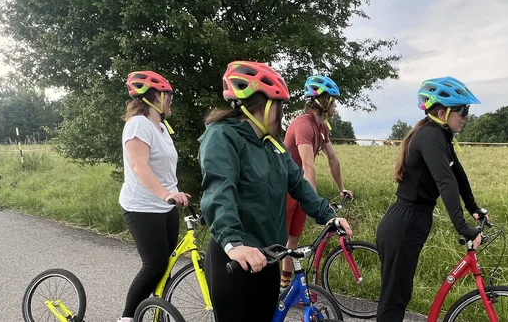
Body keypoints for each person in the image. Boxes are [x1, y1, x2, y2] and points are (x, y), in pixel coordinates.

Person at [198, 60, 353, 322]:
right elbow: (219, 191)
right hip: (236, 259)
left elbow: (299, 183)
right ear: (266, 106)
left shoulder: (273, 145)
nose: (281, 115)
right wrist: (233, 243)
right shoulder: (222, 137)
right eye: (279, 106)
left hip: (269, 256)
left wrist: (328, 215)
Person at [375, 76, 489, 322]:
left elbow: (457, 173)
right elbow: (445, 181)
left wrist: (473, 208)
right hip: (404, 222)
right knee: (394, 300)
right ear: (442, 111)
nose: (466, 116)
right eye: (463, 110)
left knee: (401, 294)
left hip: (414, 220)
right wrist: (462, 227)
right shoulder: (430, 136)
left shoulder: (441, 136)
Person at [118, 71, 190, 322]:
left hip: (165, 207)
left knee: (166, 268)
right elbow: (140, 165)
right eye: (167, 95)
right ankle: (127, 318)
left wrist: (174, 194)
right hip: (142, 207)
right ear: (154, 97)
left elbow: (164, 167)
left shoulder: (160, 127)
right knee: (155, 265)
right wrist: (166, 194)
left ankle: (159, 315)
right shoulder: (138, 124)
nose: (170, 100)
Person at [280, 75, 354, 291]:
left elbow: (332, 159)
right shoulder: (303, 125)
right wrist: (313, 200)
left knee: (293, 239)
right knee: (280, 240)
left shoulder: (321, 127)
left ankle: (284, 285)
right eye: (334, 101)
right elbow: (307, 165)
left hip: (298, 188)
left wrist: (341, 188)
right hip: (286, 188)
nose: (336, 106)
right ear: (324, 102)